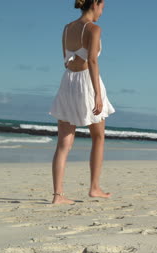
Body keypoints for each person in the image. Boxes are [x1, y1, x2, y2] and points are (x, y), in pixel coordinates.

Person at [49, 0, 115, 204]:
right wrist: (96, 94)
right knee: (98, 137)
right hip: (87, 82)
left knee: (63, 143)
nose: (102, 12)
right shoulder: (94, 29)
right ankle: (94, 187)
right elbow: (93, 61)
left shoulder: (67, 28)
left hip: (68, 82)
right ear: (95, 4)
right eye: (102, 7)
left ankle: (57, 195)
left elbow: (66, 60)